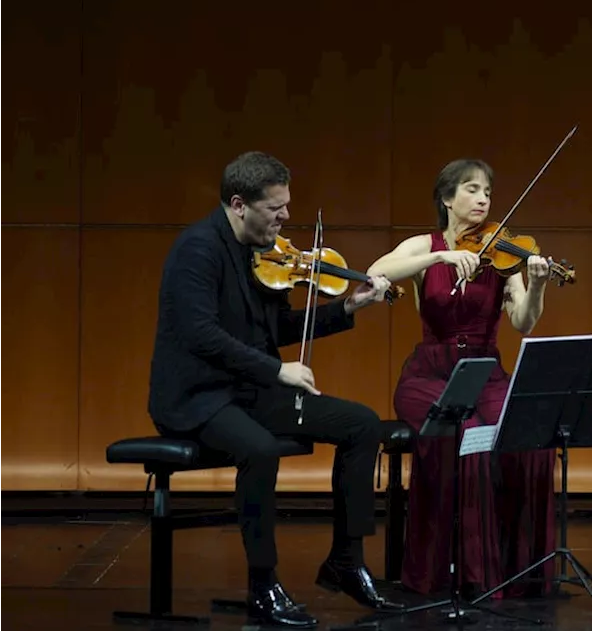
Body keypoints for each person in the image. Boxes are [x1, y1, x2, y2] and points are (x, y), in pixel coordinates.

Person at [147, 151, 403, 629]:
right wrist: (276, 370)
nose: (286, 217)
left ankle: (346, 561)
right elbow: (201, 335)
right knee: (261, 451)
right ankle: (262, 583)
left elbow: (281, 326)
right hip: (197, 398)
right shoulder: (197, 251)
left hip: (248, 393)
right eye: (276, 207)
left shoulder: (266, 254)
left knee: (362, 424)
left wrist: (348, 308)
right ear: (239, 203)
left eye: (287, 205)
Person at [367, 158, 556, 599]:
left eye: (487, 192)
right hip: (429, 374)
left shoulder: (501, 254)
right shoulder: (425, 246)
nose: (484, 199)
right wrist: (441, 255)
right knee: (467, 434)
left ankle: (519, 570)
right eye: (472, 189)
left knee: (530, 433)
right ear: (447, 198)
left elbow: (524, 322)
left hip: (485, 371)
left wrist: (539, 284)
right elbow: (375, 273)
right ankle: (464, 573)